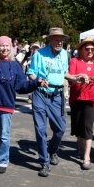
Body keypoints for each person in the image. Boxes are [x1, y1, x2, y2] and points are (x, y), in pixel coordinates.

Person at [0, 36, 41, 184]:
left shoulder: (15, 65)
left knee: (5, 137)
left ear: (11, 47)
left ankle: (2, 160)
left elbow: (21, 86)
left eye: (7, 46)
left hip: (6, 105)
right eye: (1, 46)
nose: (4, 48)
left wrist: (35, 83)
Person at [27, 27, 69, 177]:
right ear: (49, 40)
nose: (59, 42)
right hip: (40, 94)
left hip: (57, 96)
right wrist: (38, 80)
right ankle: (44, 162)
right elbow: (31, 73)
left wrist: (76, 78)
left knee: (60, 129)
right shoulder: (39, 54)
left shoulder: (65, 54)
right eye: (56, 39)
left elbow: (65, 73)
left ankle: (52, 150)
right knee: (40, 130)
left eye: (61, 39)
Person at [67, 37, 94, 170]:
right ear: (81, 49)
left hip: (91, 100)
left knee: (87, 127)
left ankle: (87, 157)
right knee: (78, 128)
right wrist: (79, 78)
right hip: (77, 99)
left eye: (92, 49)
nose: (89, 51)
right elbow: (70, 79)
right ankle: (80, 148)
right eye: (87, 48)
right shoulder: (75, 61)